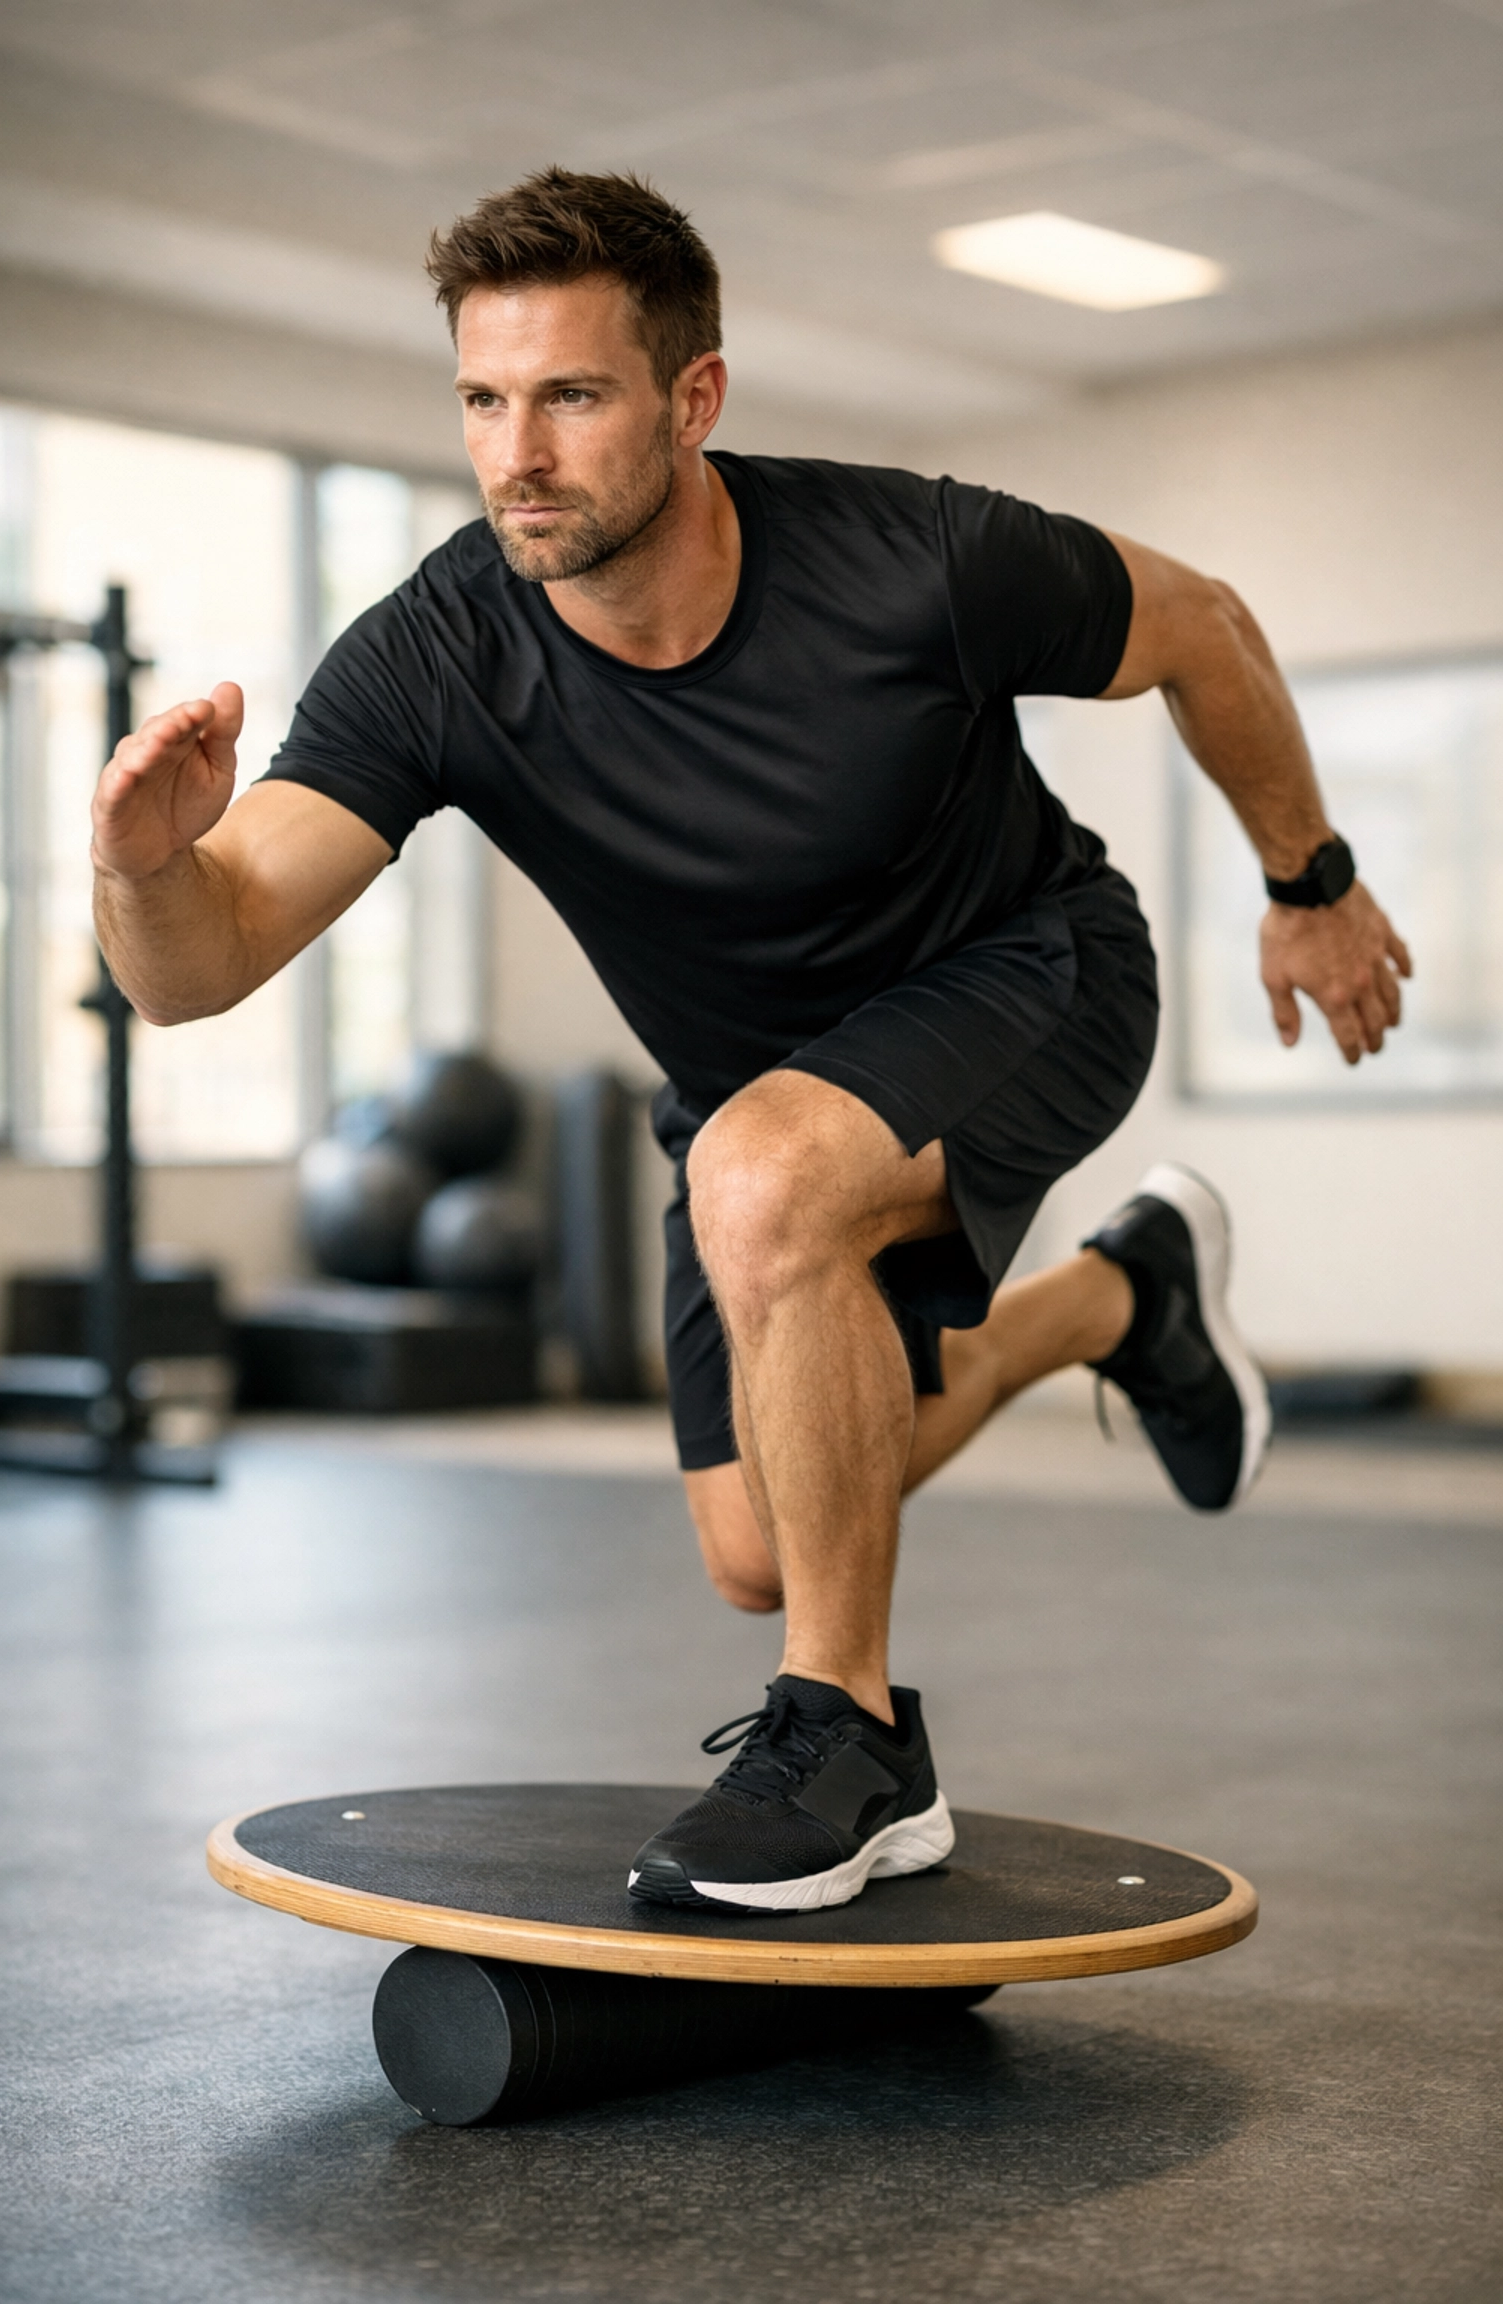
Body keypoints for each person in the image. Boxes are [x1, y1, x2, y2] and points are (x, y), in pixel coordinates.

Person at [90, 169, 1412, 1916]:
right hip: (755, 1104)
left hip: (1041, 976)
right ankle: (1121, 1300)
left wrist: (1311, 883)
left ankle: (855, 1745)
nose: (515, 456)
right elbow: (202, 966)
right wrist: (141, 869)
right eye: (483, 400)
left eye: (571, 395)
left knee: (767, 1182)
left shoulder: (914, 558)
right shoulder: (438, 654)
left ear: (693, 397)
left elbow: (1205, 627)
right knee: (759, 1540)